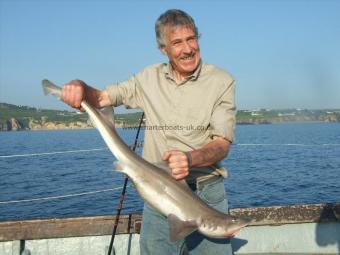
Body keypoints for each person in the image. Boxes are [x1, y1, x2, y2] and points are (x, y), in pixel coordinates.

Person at [62, 9, 236, 255]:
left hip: (207, 194)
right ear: (164, 50)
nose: (187, 49)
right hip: (159, 191)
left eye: (191, 39)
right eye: (177, 43)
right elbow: (102, 98)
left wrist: (190, 159)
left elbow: (222, 144)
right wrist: (80, 88)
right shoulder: (148, 78)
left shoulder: (221, 81)